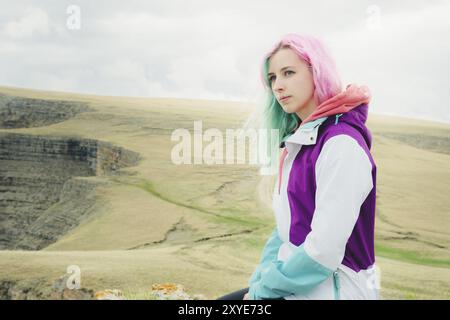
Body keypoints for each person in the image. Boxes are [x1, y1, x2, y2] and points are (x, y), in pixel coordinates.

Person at [217, 33, 379, 300]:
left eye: (288, 72)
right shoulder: (301, 142)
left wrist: (262, 293)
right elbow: (285, 230)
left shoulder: (341, 146)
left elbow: (323, 251)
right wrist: (260, 284)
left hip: (333, 288)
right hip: (297, 284)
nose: (278, 86)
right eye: (272, 78)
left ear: (317, 72)